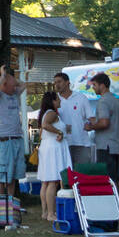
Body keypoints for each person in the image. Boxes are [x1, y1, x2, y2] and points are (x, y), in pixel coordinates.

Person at [0, 65, 27, 201]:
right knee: (1, 174)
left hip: (16, 138)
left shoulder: (14, 94)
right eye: (12, 85)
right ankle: (0, 203)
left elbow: (23, 85)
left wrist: (13, 80)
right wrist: (3, 76)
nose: (15, 87)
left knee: (13, 175)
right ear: (4, 84)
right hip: (3, 139)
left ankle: (10, 202)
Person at [37, 91, 70, 223]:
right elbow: (45, 125)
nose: (60, 101)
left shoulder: (45, 113)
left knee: (46, 182)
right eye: (58, 99)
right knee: (53, 181)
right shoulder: (51, 113)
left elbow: (41, 132)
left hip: (46, 147)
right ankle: (51, 213)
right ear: (53, 101)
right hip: (53, 149)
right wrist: (59, 131)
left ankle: (45, 212)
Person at [51, 72, 94, 169]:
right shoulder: (54, 100)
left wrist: (91, 125)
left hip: (81, 143)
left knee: (82, 174)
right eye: (55, 83)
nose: (57, 85)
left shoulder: (81, 98)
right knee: (66, 176)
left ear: (67, 82)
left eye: (59, 82)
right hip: (63, 143)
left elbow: (91, 118)